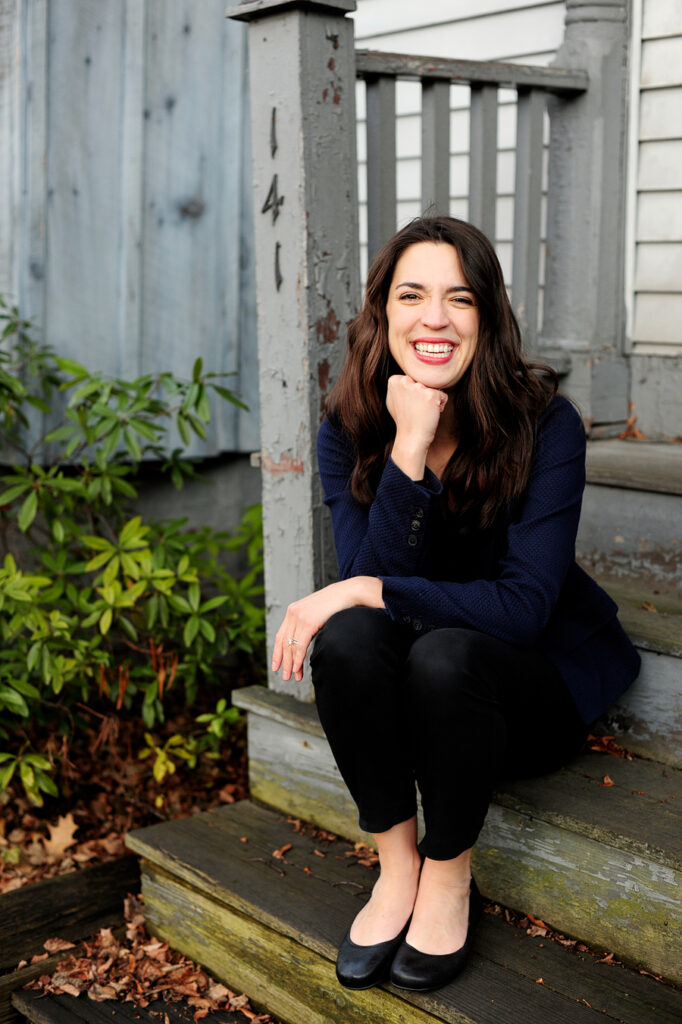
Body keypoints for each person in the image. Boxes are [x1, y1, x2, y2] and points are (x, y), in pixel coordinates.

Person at [270, 216, 640, 993]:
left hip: (528, 692)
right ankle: (398, 864)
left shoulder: (546, 425)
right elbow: (367, 607)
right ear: (383, 313)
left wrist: (370, 585)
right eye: (412, 295)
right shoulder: (351, 429)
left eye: (459, 299)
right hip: (421, 699)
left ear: (487, 318)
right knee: (346, 642)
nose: (434, 318)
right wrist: (408, 450)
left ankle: (448, 872)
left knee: (443, 649)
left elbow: (526, 608)